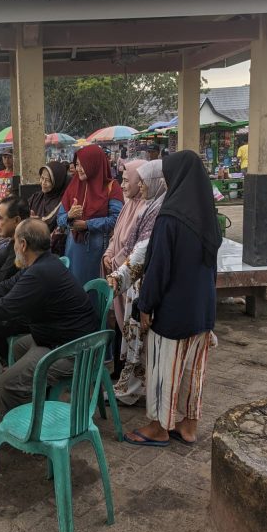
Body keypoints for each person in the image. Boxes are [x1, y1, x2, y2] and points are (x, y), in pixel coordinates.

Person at [0, 219, 98, 414]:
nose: (13, 246)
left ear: (23, 245)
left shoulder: (40, 272)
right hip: (59, 338)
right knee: (18, 346)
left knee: (7, 383)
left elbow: (6, 308)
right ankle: (34, 401)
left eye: (14, 241)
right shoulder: (41, 263)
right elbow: (6, 286)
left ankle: (23, 436)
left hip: (74, 351)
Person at [124, 150, 222, 447]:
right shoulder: (208, 216)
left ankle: (159, 427)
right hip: (202, 310)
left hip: (174, 311)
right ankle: (189, 426)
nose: (165, 182)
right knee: (194, 371)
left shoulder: (171, 217)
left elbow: (158, 268)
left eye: (168, 176)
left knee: (164, 369)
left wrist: (145, 305)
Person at [106, 161, 167, 405]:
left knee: (139, 339)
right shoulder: (140, 206)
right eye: (137, 180)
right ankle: (132, 386)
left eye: (142, 181)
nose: (138, 185)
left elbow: (140, 250)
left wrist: (119, 267)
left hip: (139, 282)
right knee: (131, 336)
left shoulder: (156, 210)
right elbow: (118, 237)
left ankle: (135, 390)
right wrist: (110, 256)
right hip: (129, 279)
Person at [102, 159, 146, 374]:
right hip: (117, 271)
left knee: (128, 323)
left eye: (128, 180)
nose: (123, 185)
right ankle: (119, 370)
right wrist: (109, 254)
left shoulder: (145, 208)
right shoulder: (128, 205)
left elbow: (136, 245)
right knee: (118, 321)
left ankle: (126, 373)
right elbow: (116, 236)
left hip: (131, 278)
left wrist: (117, 260)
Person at [56, 144, 124, 287]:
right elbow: (60, 219)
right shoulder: (73, 186)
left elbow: (117, 219)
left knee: (93, 288)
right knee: (75, 288)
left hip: (98, 249)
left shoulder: (111, 187)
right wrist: (69, 216)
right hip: (74, 248)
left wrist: (87, 224)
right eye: (77, 165)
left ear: (94, 164)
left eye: (83, 165)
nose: (78, 169)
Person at [27, 161, 69, 232]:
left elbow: (54, 225)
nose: (43, 183)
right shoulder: (36, 197)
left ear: (58, 182)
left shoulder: (63, 202)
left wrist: (35, 222)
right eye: (42, 178)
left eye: (48, 180)